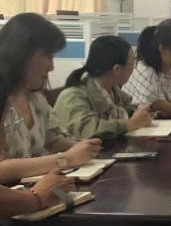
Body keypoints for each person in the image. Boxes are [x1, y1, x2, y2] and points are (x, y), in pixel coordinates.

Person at [0, 14, 102, 175]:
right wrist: (65, 159)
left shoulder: (35, 98)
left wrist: (82, 147)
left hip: (41, 186)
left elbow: (52, 140)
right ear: (22, 53)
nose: (52, 67)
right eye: (49, 56)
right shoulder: (4, 101)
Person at [54, 36, 155, 139]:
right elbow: (90, 130)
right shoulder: (73, 97)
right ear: (116, 69)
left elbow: (126, 109)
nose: (135, 67)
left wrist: (140, 111)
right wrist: (132, 123)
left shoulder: (112, 89)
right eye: (133, 63)